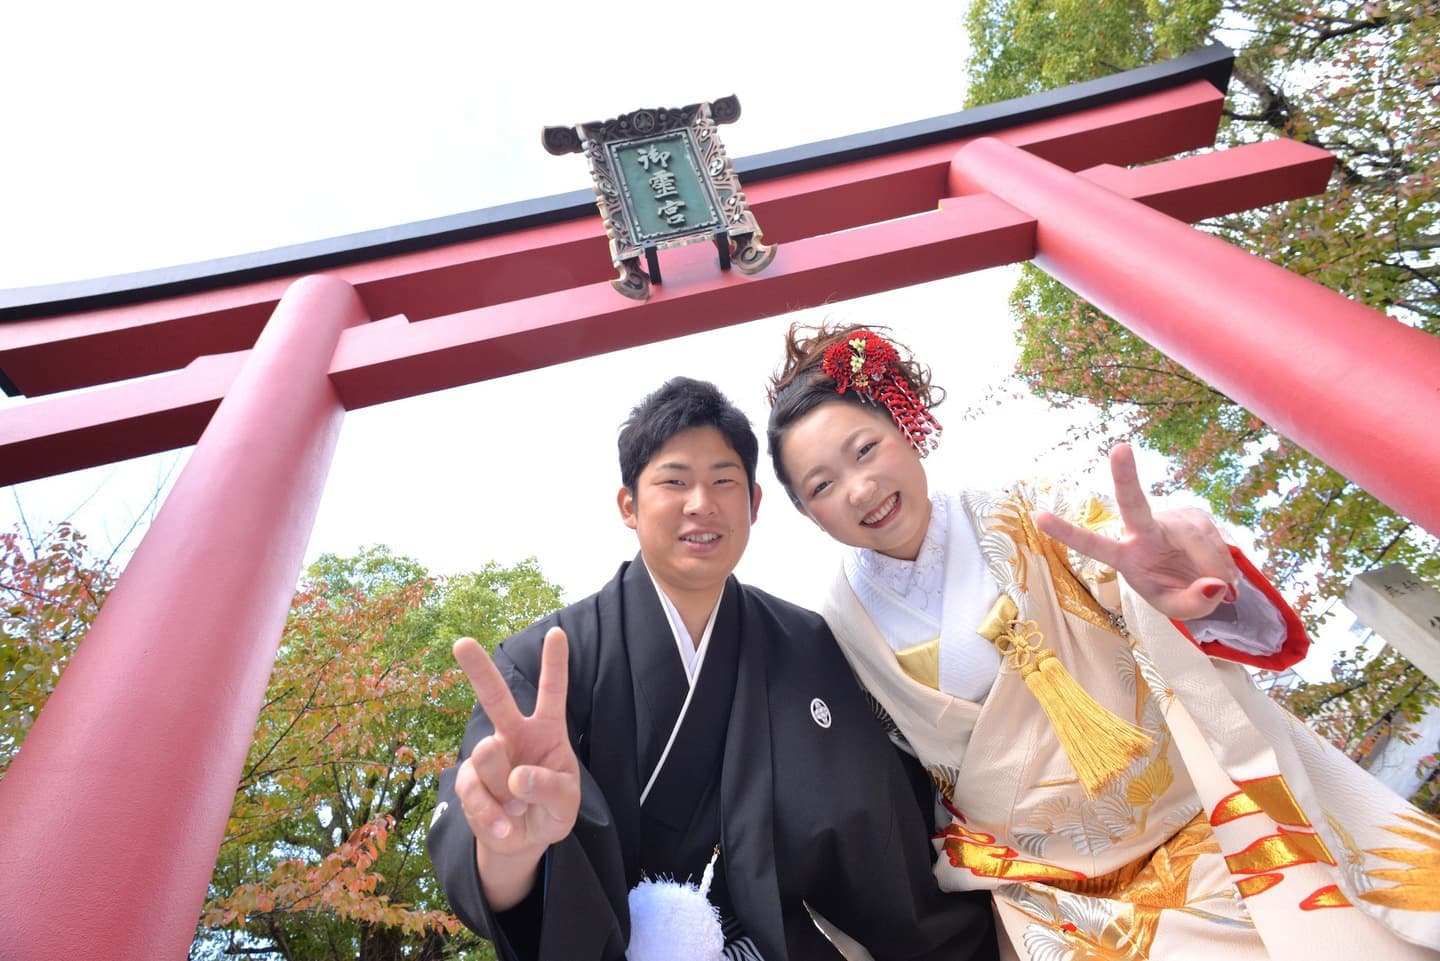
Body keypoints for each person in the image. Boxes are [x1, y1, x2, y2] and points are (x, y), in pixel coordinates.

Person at [766, 323, 1440, 960]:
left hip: (1198, 809)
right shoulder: (837, 630)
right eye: (822, 484)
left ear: (904, 425)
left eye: (866, 449)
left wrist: (1182, 591)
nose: (860, 489)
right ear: (804, 510)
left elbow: (1149, 590)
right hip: (1051, 890)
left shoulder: (1031, 511)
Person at [427, 376, 998, 961]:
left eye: (724, 481)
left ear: (753, 504)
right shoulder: (544, 661)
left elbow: (881, 839)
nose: (702, 503)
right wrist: (513, 851)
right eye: (674, 481)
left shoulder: (808, 646)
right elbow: (494, 860)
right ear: (629, 504)